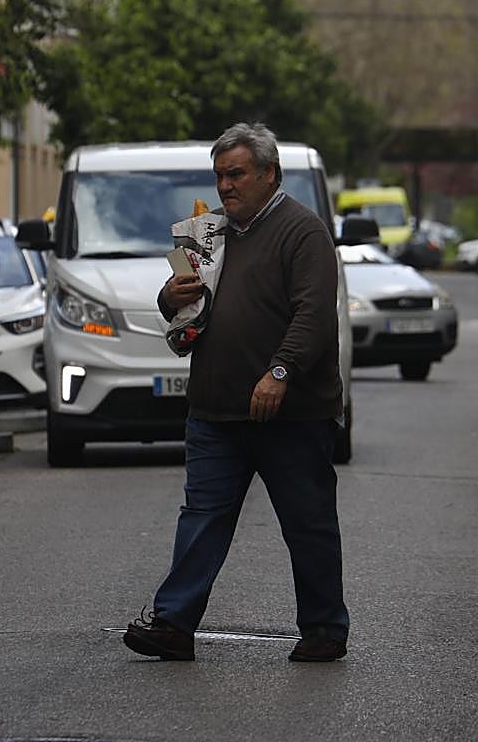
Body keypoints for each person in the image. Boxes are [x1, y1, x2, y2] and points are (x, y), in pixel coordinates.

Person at [123, 122, 350, 663]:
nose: (226, 186)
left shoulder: (304, 232)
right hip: (215, 411)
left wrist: (280, 373)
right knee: (201, 518)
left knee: (307, 522)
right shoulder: (208, 235)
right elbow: (188, 313)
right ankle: (174, 625)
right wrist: (169, 295)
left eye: (237, 174)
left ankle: (323, 629)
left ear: (270, 174)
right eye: (220, 175)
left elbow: (314, 316)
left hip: (290, 413)